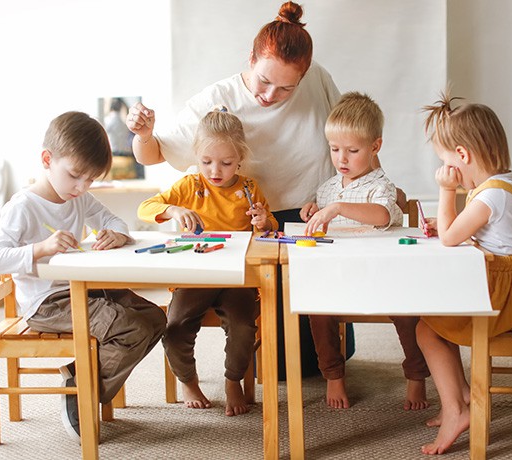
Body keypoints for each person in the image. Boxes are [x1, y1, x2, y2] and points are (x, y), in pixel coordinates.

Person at [127, 1, 348, 379]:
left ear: (305, 76)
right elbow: (154, 155)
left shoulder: (319, 81)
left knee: (315, 346)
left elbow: (346, 135)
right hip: (250, 224)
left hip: (306, 214)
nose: (269, 95)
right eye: (264, 81)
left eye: (286, 88)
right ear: (250, 57)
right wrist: (143, 134)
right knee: (276, 363)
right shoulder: (215, 99)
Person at [0, 111, 167, 442]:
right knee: (132, 327)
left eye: (91, 179)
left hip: (83, 288)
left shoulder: (79, 197)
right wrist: (39, 248)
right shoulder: (22, 206)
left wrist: (117, 235)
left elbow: (115, 220)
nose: (82, 186)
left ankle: (79, 378)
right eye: (75, 175)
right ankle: (79, 389)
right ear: (47, 160)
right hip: (47, 303)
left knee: (154, 317)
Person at [415, 92, 512, 454]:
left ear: (462, 156)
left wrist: (445, 191)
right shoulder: (503, 184)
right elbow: (473, 227)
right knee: (433, 323)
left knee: (426, 329)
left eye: (447, 163)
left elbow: (450, 238)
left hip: (502, 301)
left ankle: (456, 409)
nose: (448, 170)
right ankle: (464, 396)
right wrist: (448, 219)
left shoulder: (488, 197)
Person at [138, 108, 278, 416]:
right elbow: (146, 207)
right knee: (173, 328)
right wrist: (174, 211)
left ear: (239, 160)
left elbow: (270, 229)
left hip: (236, 278)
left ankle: (233, 381)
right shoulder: (190, 186)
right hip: (195, 275)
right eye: (206, 162)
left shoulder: (248, 188)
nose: (215, 170)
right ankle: (188, 380)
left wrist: (263, 221)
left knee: (243, 327)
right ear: (196, 157)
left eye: (226, 163)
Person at [299, 92, 430, 410]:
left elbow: (383, 215)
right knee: (316, 309)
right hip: (342, 278)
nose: (341, 158)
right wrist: (315, 208)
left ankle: (415, 376)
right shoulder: (329, 187)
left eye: (352, 150)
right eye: (334, 149)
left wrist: (338, 208)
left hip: (383, 278)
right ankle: (333, 375)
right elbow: (329, 222)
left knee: (409, 313)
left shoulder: (381, 186)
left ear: (375, 147)